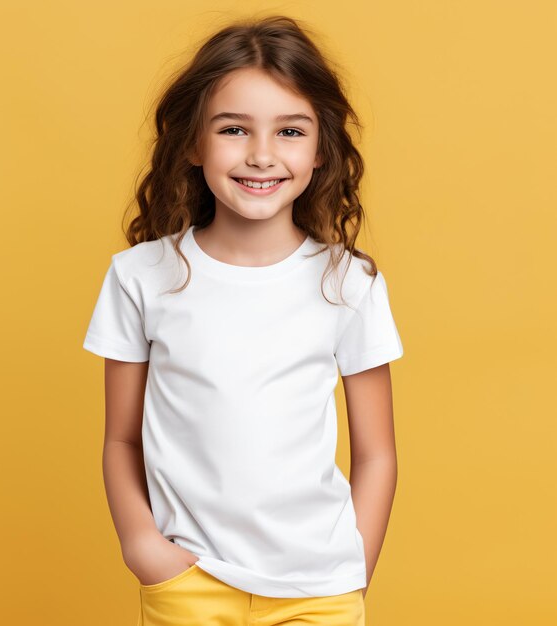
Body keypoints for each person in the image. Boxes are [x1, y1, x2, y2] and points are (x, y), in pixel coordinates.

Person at [83, 14, 404, 626]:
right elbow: (120, 438)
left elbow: (377, 453)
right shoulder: (140, 276)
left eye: (289, 130)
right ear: (194, 143)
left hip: (320, 590)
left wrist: (353, 568)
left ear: (319, 149)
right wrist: (144, 549)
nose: (261, 155)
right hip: (187, 584)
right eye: (234, 129)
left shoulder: (349, 283)